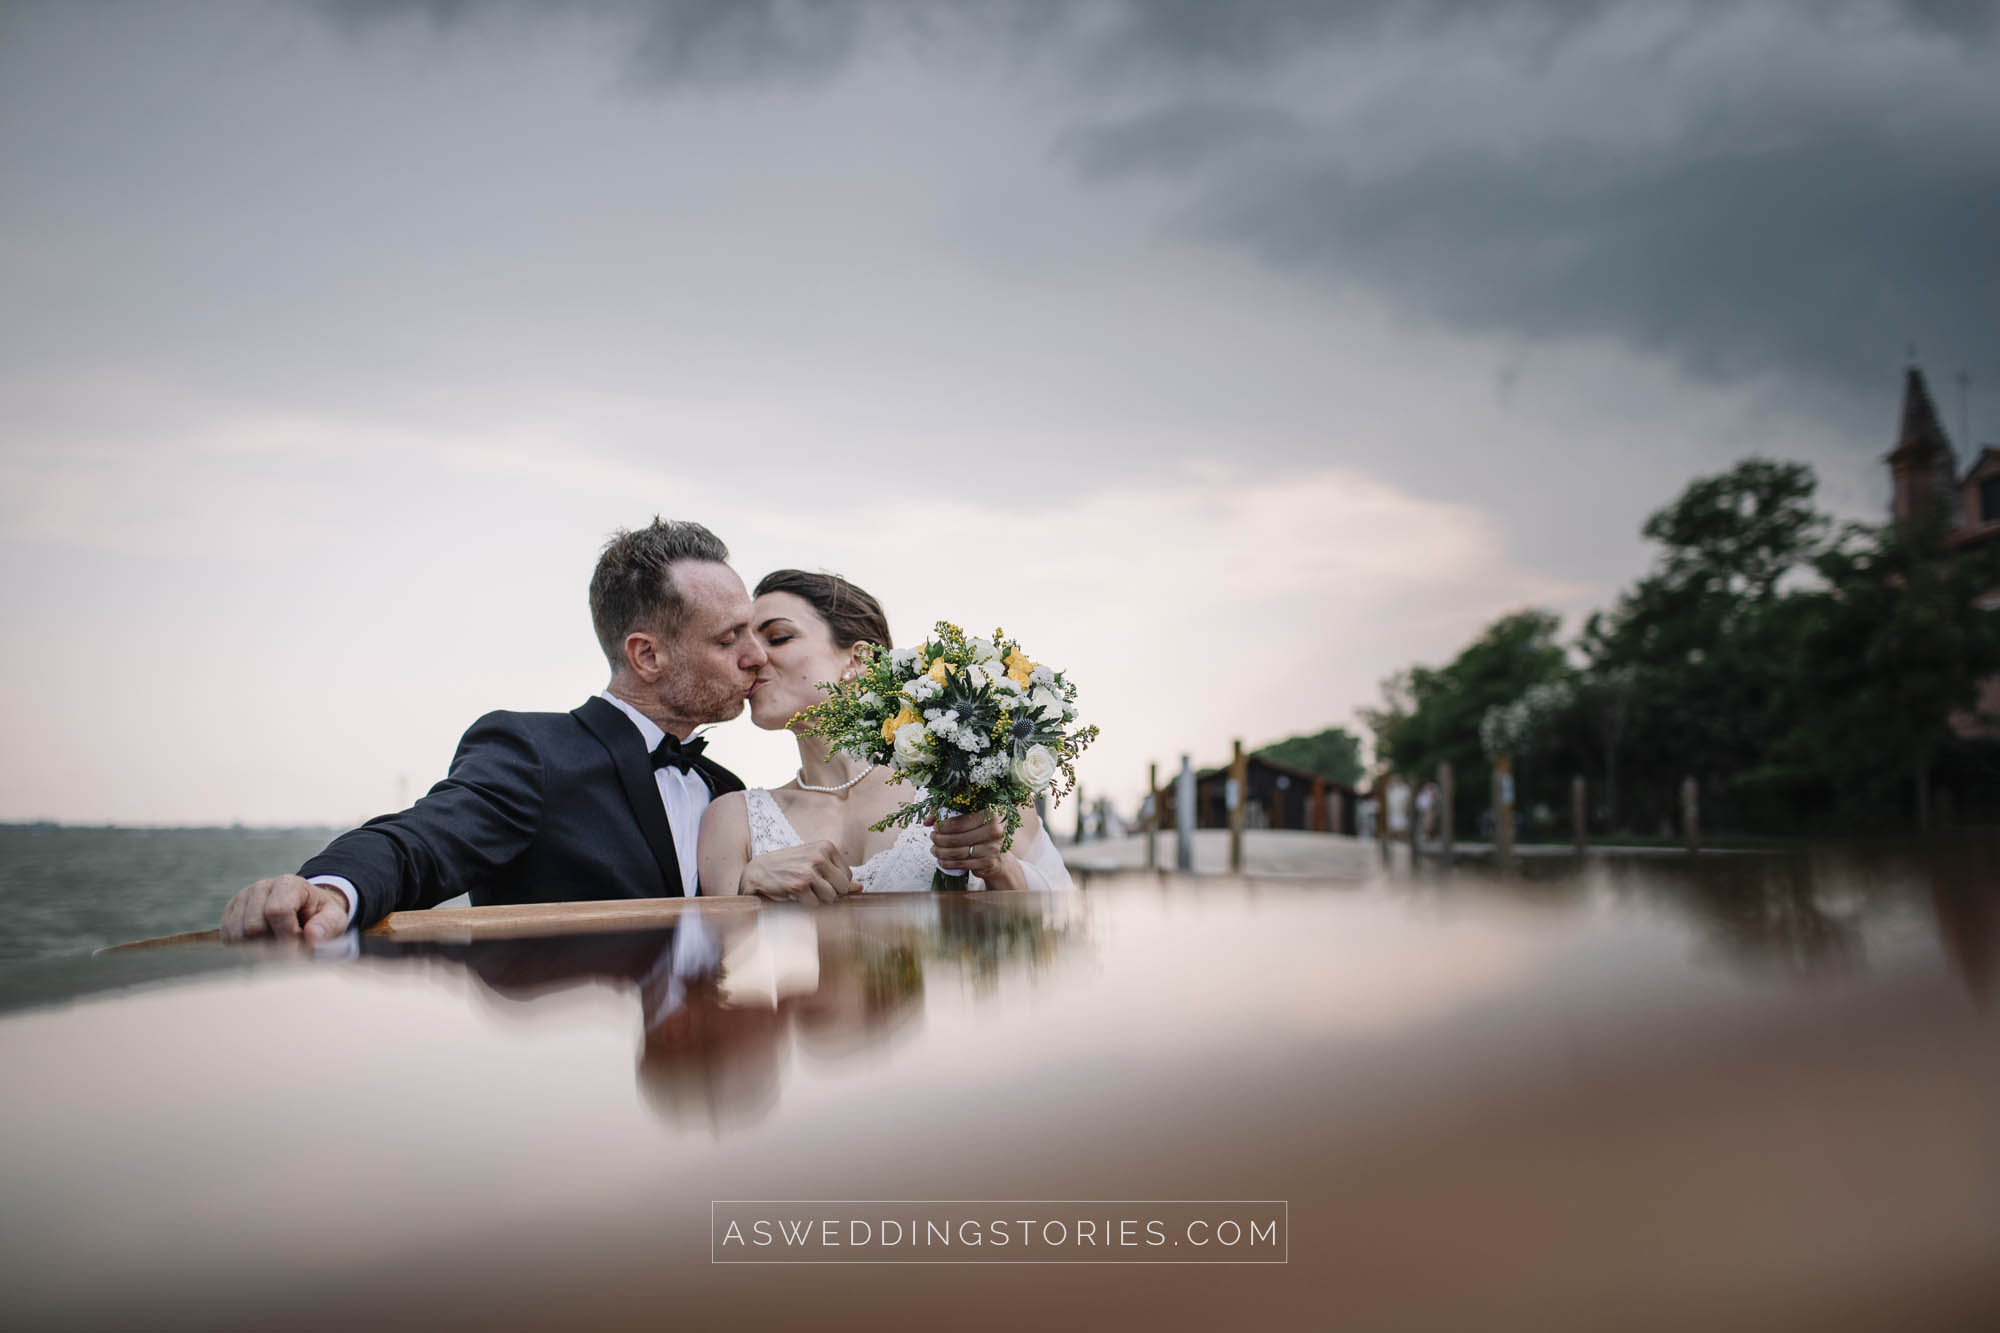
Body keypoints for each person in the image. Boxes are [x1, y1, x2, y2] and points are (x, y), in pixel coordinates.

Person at [218, 520, 867, 942]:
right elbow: (419, 841)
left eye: (758, 634)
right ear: (647, 655)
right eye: (731, 639)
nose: (756, 657)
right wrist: (325, 888)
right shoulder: (533, 752)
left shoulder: (723, 787)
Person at [698, 569, 1075, 898]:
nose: (751, 657)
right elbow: (725, 967)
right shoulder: (732, 818)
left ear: (859, 659)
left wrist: (1000, 867)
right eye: (741, 642)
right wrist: (746, 890)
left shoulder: (967, 783)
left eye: (778, 637)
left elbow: (1062, 922)